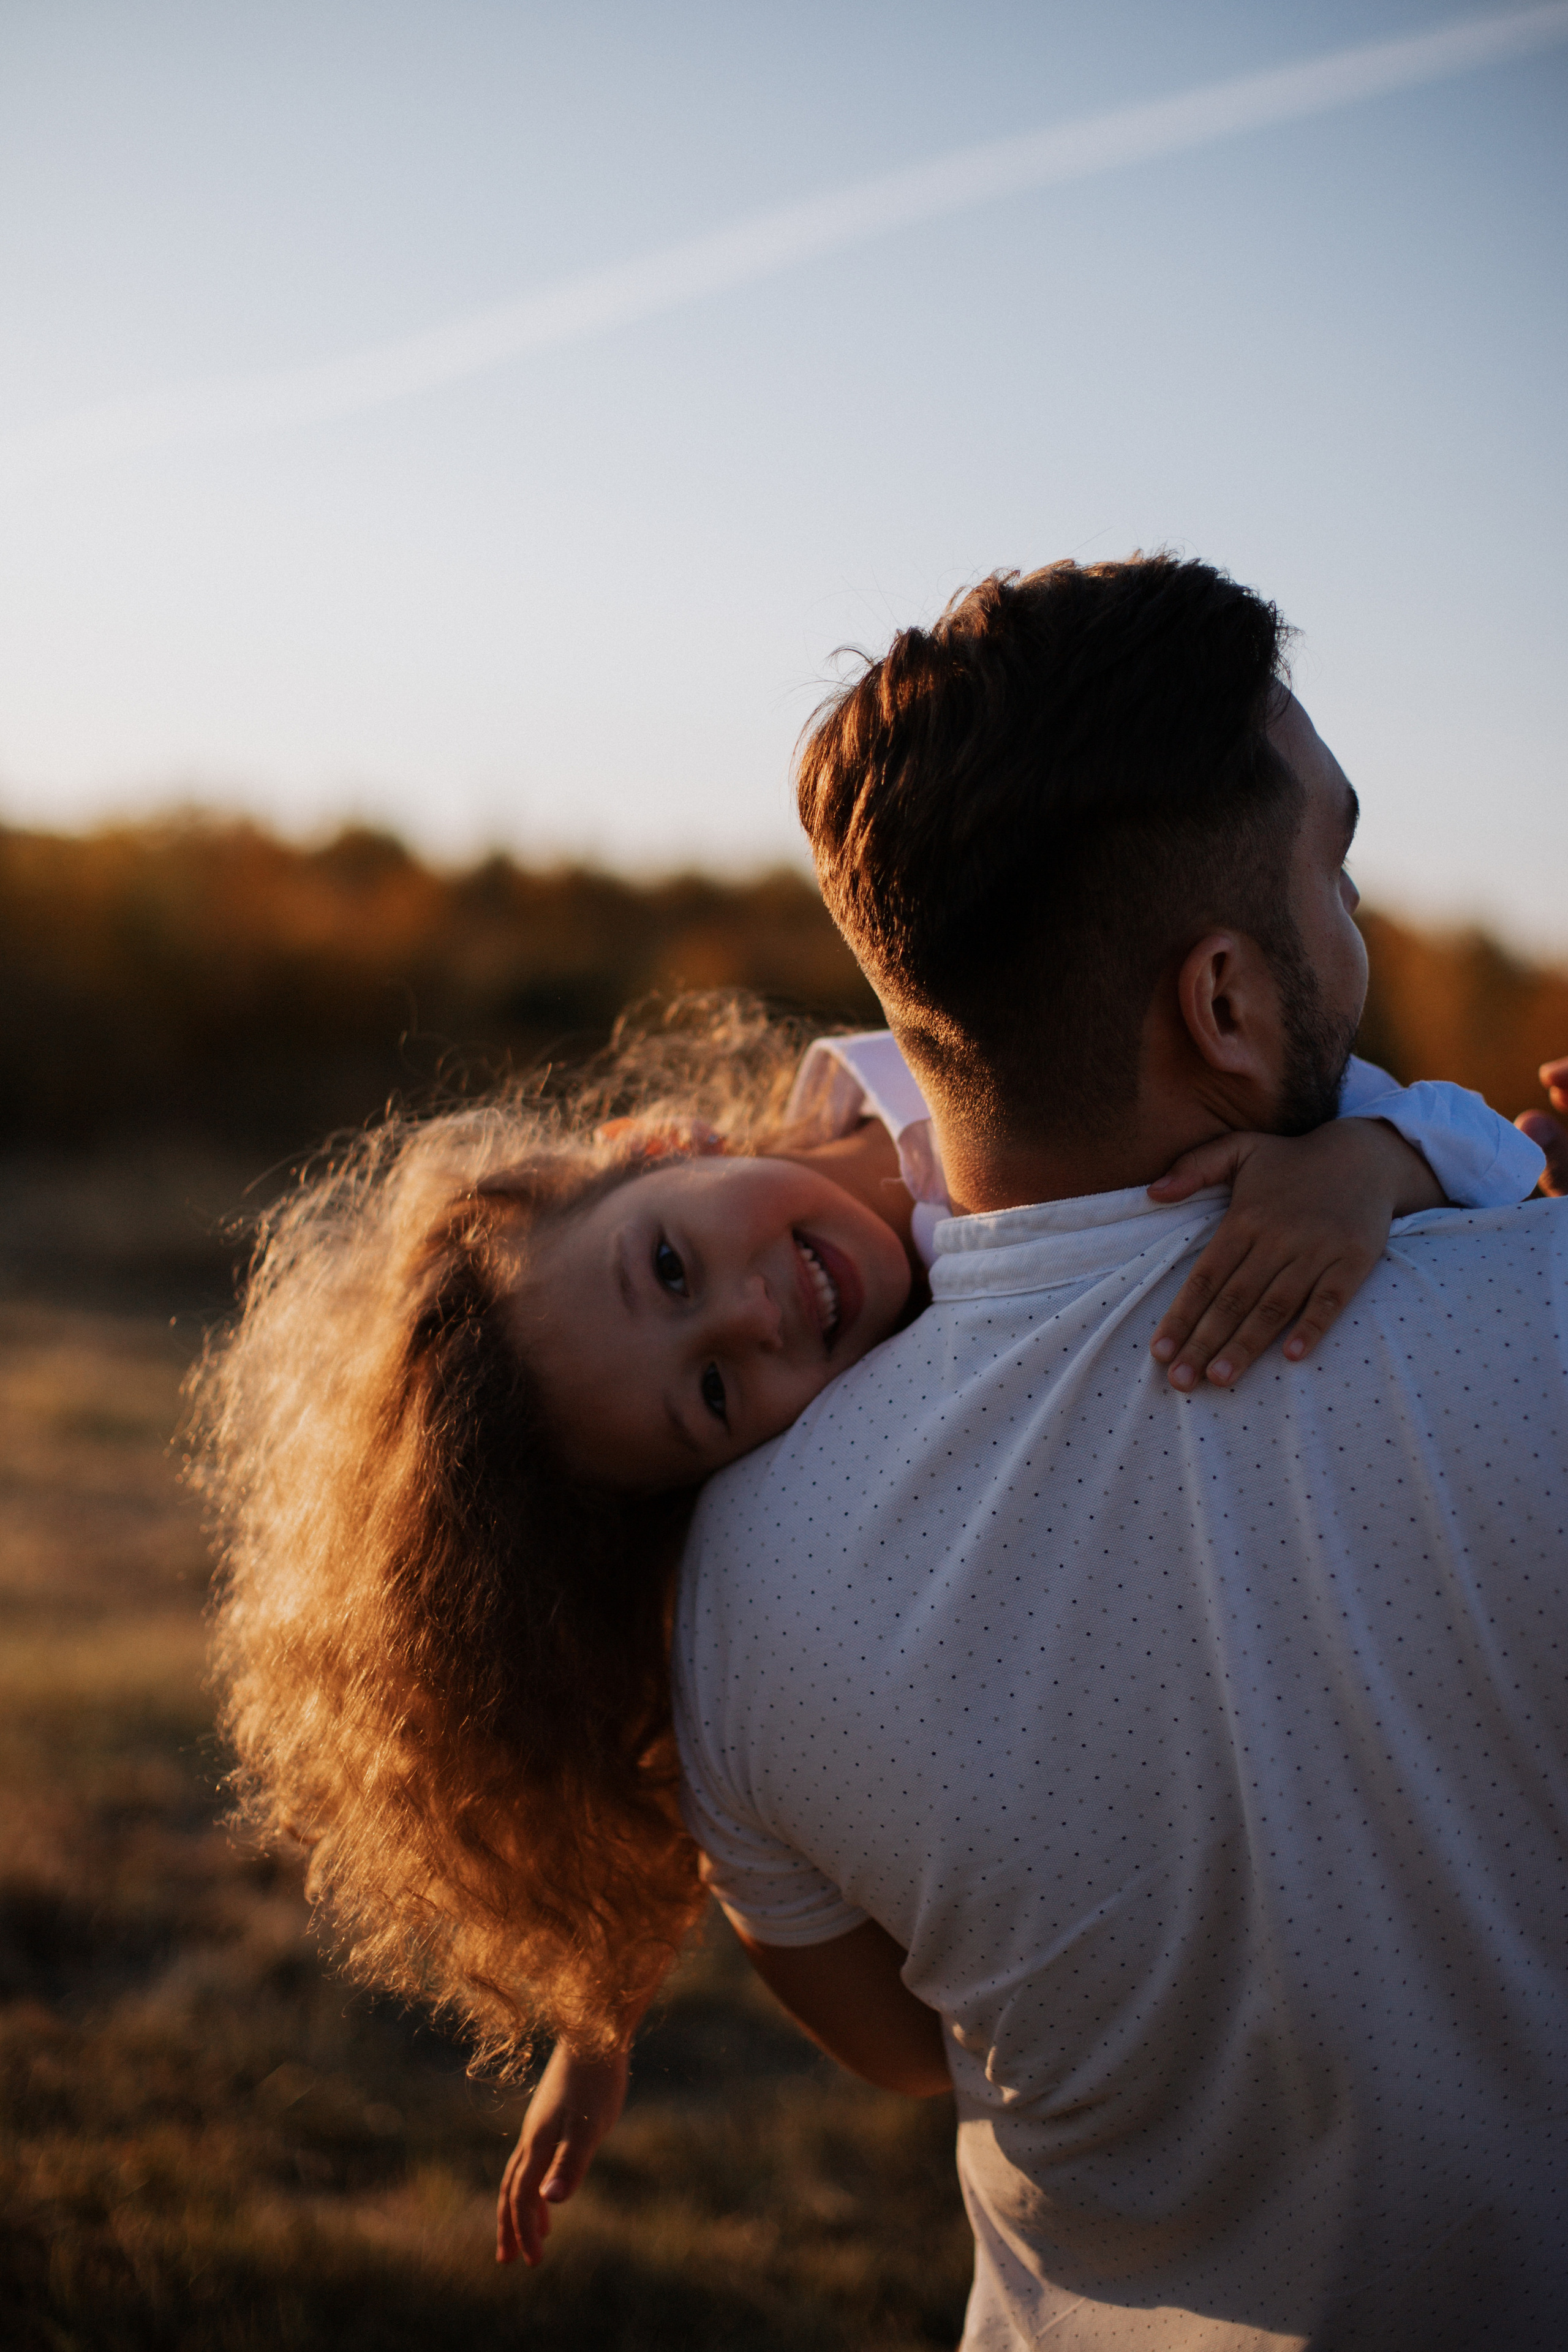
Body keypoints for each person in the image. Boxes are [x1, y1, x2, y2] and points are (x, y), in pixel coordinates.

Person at [189, 980, 1543, 2255]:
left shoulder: (945, 1068)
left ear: (652, 1145)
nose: (753, 1315)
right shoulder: (821, 1516)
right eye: (712, 1395)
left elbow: (1382, 1105)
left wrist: (1374, 1158)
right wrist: (594, 2021)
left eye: (667, 1266)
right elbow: (893, 2041)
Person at [651, 557, 1568, 2347]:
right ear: (1223, 1005)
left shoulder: (731, 1586)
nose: (1362, 931)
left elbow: (909, 2054)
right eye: (1339, 872)